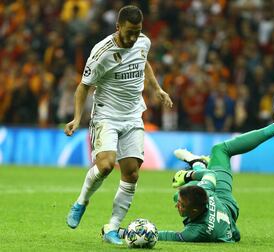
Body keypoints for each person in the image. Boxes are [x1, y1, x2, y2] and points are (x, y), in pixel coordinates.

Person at [64, 5, 173, 245]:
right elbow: (83, 86)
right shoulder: (101, 52)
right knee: (105, 166)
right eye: (129, 32)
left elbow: (144, 63)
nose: (134, 37)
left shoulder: (143, 42)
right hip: (107, 115)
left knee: (132, 173)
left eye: (138, 31)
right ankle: (81, 201)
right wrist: (77, 118)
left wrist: (157, 89)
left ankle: (112, 228)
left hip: (133, 114)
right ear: (118, 27)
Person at [158, 94, 274, 242]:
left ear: (195, 210)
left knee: (177, 194)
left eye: (182, 206)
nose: (177, 206)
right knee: (218, 151)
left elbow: (169, 236)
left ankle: (198, 162)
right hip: (226, 204)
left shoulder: (198, 225)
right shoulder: (202, 220)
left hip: (222, 206)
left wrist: (130, 233)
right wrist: (187, 175)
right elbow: (209, 175)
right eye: (181, 205)